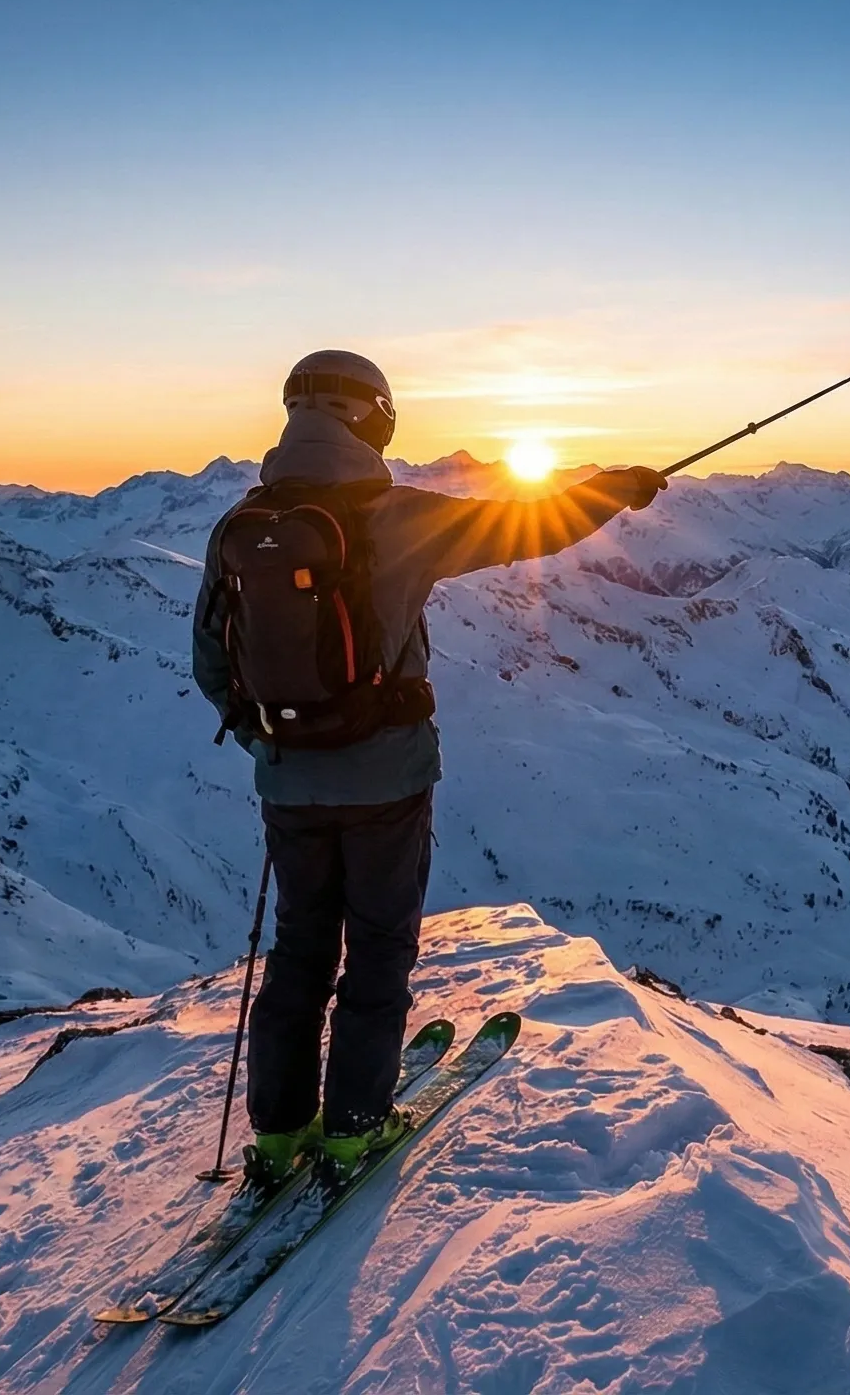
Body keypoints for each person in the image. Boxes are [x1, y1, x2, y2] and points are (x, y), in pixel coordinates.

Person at [192, 348, 666, 1182]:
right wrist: (615, 489)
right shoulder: (393, 515)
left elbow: (210, 661)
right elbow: (529, 525)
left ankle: (277, 1130)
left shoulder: (241, 526)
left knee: (301, 947)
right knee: (377, 951)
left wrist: (272, 742)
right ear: (371, 416)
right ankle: (353, 1128)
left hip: (286, 787)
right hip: (389, 779)